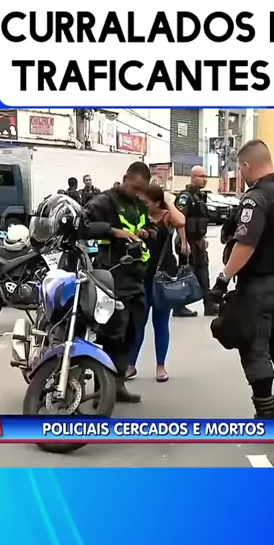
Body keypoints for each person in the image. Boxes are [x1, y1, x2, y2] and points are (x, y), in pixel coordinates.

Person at [210, 140, 274, 426]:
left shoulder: (257, 198)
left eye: (240, 169)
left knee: (254, 346)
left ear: (246, 165)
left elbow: (246, 244)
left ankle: (266, 415)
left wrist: (223, 278)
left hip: (259, 286)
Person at [83, 161, 153, 402]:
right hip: (112, 277)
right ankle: (101, 389)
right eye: (134, 188)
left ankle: (119, 384)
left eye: (142, 190)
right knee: (111, 335)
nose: (138, 193)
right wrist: (113, 231)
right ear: (124, 179)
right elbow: (83, 226)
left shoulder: (139, 204)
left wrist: (147, 233)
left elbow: (151, 226)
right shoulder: (104, 202)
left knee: (131, 333)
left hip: (136, 277)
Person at [126, 184, 187, 383]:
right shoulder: (140, 216)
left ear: (157, 202)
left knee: (160, 323)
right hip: (142, 275)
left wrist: (169, 202)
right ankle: (131, 365)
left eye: (146, 202)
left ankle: (161, 366)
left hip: (162, 275)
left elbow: (181, 221)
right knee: (138, 323)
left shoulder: (166, 216)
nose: (143, 205)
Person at [174, 166, 218, 317]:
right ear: (193, 178)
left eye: (205, 176)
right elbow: (179, 220)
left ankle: (209, 305)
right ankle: (179, 306)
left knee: (203, 273)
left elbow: (201, 221)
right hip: (188, 241)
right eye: (201, 176)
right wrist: (184, 241)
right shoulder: (185, 197)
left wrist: (203, 238)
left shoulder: (199, 196)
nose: (204, 179)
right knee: (185, 274)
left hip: (198, 242)